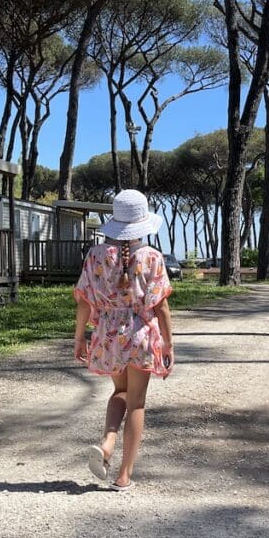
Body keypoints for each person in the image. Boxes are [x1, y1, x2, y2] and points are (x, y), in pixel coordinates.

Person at [73, 189, 174, 492]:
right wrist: (168, 344)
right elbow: (161, 307)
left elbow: (84, 302)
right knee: (137, 402)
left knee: (120, 391)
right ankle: (124, 476)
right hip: (141, 335)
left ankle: (107, 443)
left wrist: (79, 338)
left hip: (109, 335)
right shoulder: (152, 257)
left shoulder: (95, 255)